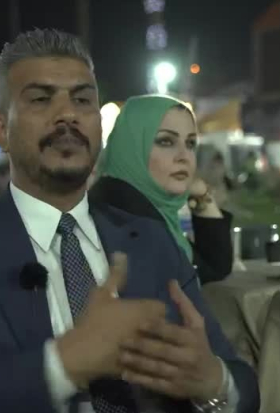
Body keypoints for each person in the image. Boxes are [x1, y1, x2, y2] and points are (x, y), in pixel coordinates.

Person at [0, 30, 258, 413]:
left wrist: (212, 382)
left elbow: (242, 389)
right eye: (41, 99)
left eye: (83, 100)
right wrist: (64, 366)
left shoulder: (148, 239)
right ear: (1, 130)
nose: (68, 114)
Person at [90, 95, 233, 285]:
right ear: (132, 147)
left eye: (190, 143)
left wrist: (202, 197)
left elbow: (213, 267)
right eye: (166, 141)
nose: (184, 156)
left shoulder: (147, 208)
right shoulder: (123, 217)